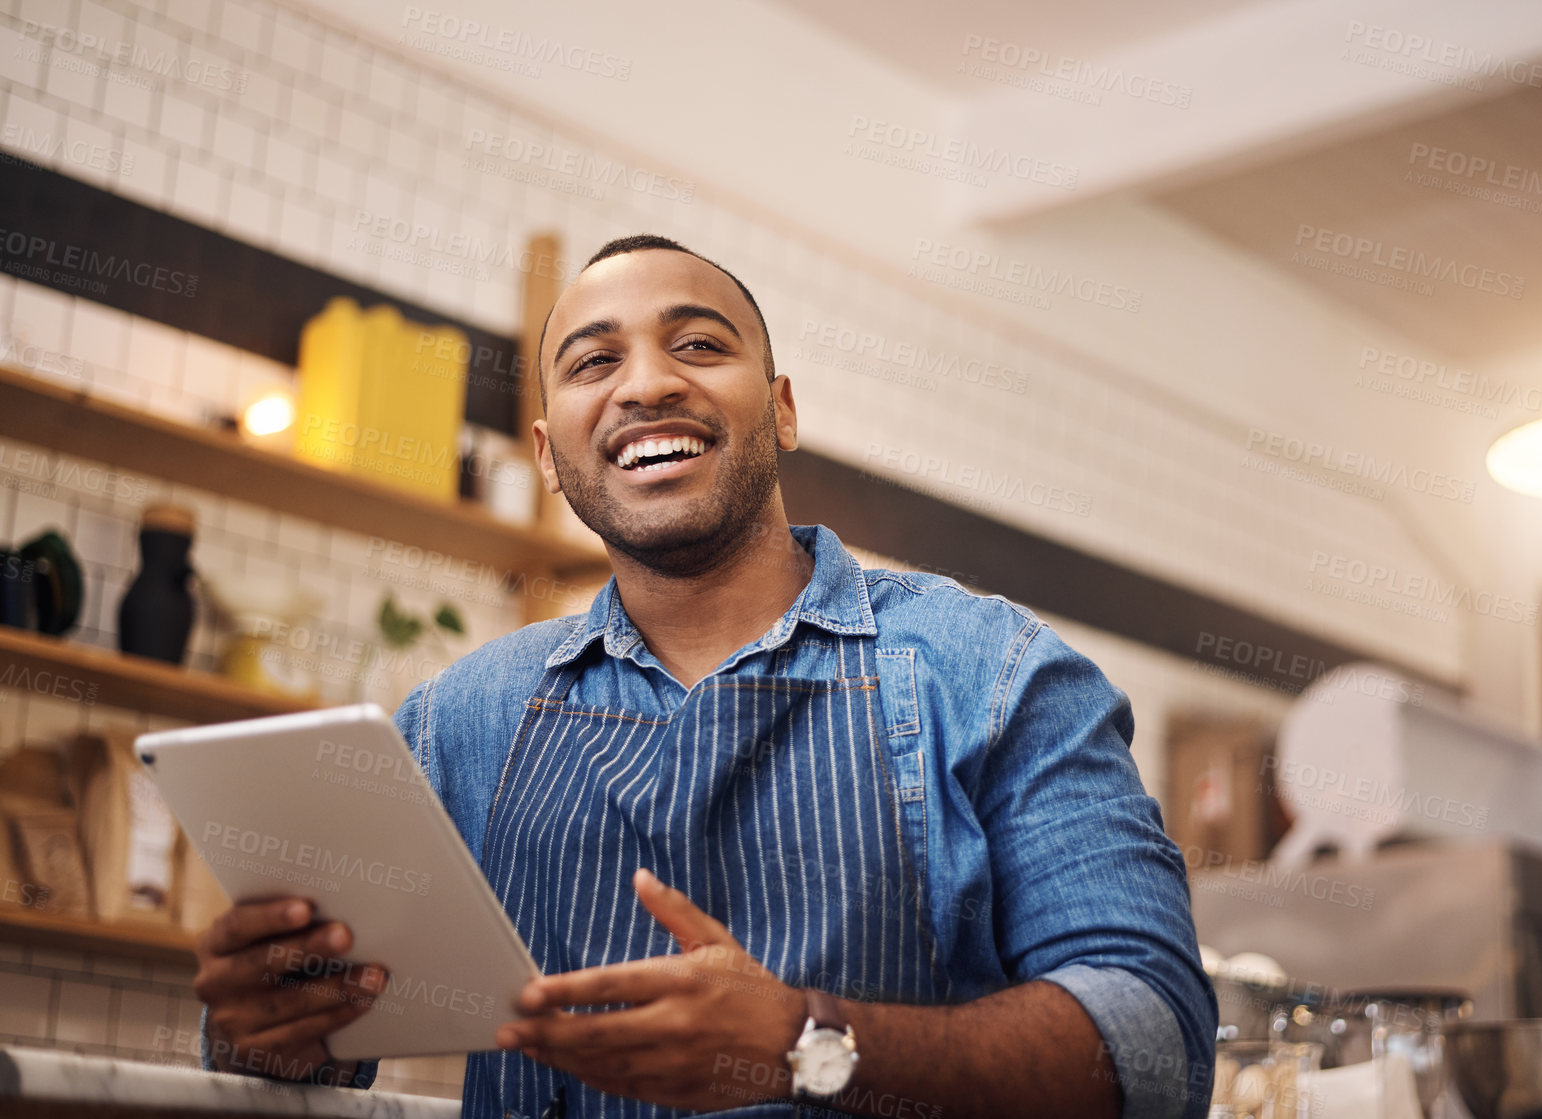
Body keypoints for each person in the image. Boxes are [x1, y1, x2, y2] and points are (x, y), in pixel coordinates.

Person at [192, 235, 1217, 1118]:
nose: (645, 385)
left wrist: (801, 1043)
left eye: (698, 345)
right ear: (549, 457)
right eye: (594, 363)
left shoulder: (993, 675)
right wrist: (261, 1025)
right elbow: (313, 1062)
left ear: (780, 410)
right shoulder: (460, 722)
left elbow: (1155, 1046)